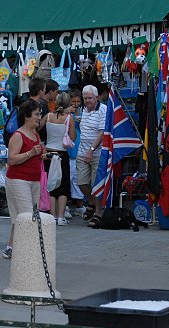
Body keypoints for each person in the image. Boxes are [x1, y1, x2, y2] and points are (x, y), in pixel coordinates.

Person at [2, 99, 46, 259]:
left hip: (34, 179)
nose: (39, 117)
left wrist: (44, 154)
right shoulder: (18, 135)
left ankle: (11, 247)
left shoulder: (35, 133)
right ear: (27, 116)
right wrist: (30, 153)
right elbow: (12, 159)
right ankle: (26, 249)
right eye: (36, 114)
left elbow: (38, 154)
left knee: (22, 216)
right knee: (27, 216)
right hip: (18, 180)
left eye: (39, 114)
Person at [76, 83, 108, 227]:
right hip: (82, 151)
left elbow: (102, 132)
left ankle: (98, 212)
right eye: (85, 98)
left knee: (96, 183)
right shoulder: (83, 109)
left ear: (96, 97)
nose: (87, 101)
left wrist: (92, 149)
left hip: (97, 151)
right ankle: (92, 203)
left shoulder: (103, 109)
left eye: (90, 98)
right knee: (82, 182)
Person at [44, 92, 76, 225]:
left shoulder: (48, 116)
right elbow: (73, 137)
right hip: (62, 154)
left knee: (51, 186)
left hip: (49, 153)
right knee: (63, 186)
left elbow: (39, 127)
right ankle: (61, 217)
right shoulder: (69, 118)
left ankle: (52, 216)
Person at [67, 89, 85, 218]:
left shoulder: (84, 112)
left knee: (78, 179)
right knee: (68, 178)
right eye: (73, 101)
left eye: (78, 101)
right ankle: (66, 205)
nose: (76, 104)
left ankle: (80, 205)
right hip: (69, 149)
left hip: (80, 147)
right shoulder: (66, 113)